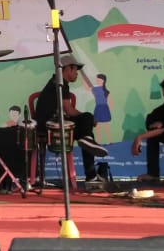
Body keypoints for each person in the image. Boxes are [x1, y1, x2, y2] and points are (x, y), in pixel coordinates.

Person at [33, 55, 109, 183]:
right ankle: (91, 174)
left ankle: (87, 142)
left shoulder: (56, 82)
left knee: (86, 132)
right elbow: (69, 111)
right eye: (75, 70)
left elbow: (67, 112)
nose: (76, 73)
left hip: (52, 125)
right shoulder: (60, 84)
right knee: (87, 118)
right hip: (50, 129)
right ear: (67, 68)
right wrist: (90, 119)